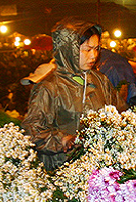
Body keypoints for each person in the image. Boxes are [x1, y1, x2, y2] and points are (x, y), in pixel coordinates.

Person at [22, 17, 127, 171]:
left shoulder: (100, 81)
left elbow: (120, 112)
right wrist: (61, 140)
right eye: (87, 49)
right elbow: (32, 130)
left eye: (96, 49)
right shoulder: (49, 87)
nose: (93, 56)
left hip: (99, 168)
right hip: (62, 168)